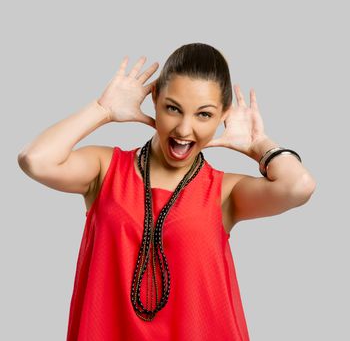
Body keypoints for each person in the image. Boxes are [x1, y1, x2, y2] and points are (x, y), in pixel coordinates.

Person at [17, 43, 316, 340]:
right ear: (155, 99)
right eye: (173, 108)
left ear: (223, 115)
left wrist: (258, 146)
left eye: (204, 115)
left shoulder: (224, 191)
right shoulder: (105, 169)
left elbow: (298, 186)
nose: (184, 130)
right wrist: (102, 110)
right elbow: (36, 160)